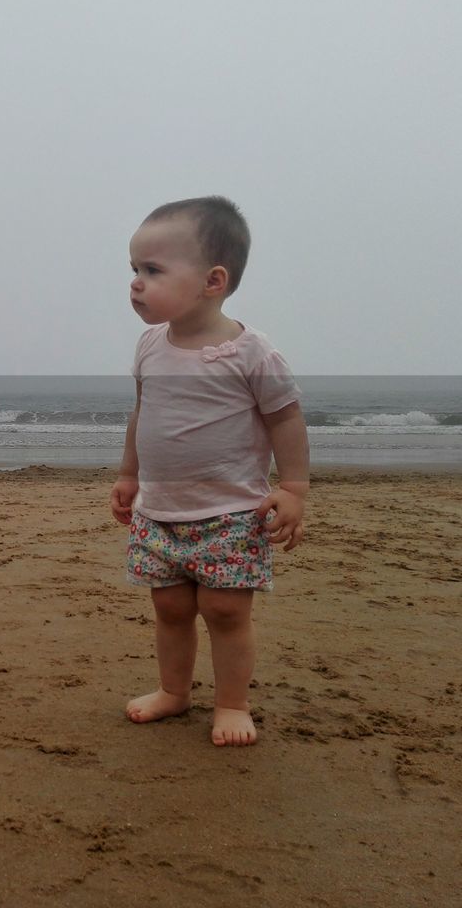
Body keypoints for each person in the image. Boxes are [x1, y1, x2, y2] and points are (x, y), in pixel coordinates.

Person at [109, 196, 309, 747]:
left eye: (152, 270)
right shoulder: (150, 344)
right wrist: (129, 474)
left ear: (212, 280)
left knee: (224, 611)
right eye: (134, 270)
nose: (136, 283)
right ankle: (174, 692)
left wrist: (293, 488)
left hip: (230, 511)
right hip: (160, 509)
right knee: (170, 606)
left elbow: (286, 418)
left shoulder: (251, 353)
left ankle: (231, 704)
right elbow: (142, 413)